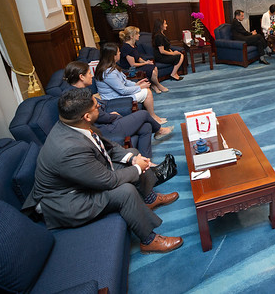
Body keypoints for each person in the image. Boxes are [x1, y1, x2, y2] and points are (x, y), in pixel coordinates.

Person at [22, 88, 183, 254]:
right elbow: (108, 181)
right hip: (65, 201)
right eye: (95, 105)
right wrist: (138, 167)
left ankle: (149, 199)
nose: (99, 105)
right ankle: (148, 240)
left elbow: (108, 146)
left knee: (133, 153)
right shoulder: (69, 149)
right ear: (87, 116)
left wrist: (132, 159)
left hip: (79, 180)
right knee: (125, 192)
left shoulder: (75, 124)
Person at [64, 61, 173, 158]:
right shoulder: (79, 96)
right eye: (89, 73)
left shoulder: (74, 92)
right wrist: (114, 116)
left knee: (146, 127)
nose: (92, 75)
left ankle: (146, 162)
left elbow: (99, 109)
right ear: (81, 77)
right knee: (144, 114)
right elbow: (100, 117)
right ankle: (159, 130)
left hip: (105, 122)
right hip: (104, 129)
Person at [95, 43, 167, 125]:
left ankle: (152, 116)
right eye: (118, 52)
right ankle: (153, 117)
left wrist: (136, 84)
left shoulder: (111, 67)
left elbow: (125, 81)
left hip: (119, 94)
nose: (120, 53)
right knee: (147, 92)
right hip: (115, 98)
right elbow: (123, 91)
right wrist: (140, 87)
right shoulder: (108, 72)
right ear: (113, 56)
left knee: (145, 89)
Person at [119, 26, 167, 94]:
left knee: (154, 67)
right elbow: (133, 64)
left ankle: (153, 85)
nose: (139, 35)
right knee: (152, 72)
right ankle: (158, 85)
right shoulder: (126, 47)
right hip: (130, 69)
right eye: (137, 34)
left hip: (136, 66)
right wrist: (145, 63)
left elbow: (138, 58)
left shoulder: (134, 44)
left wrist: (146, 62)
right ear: (132, 36)